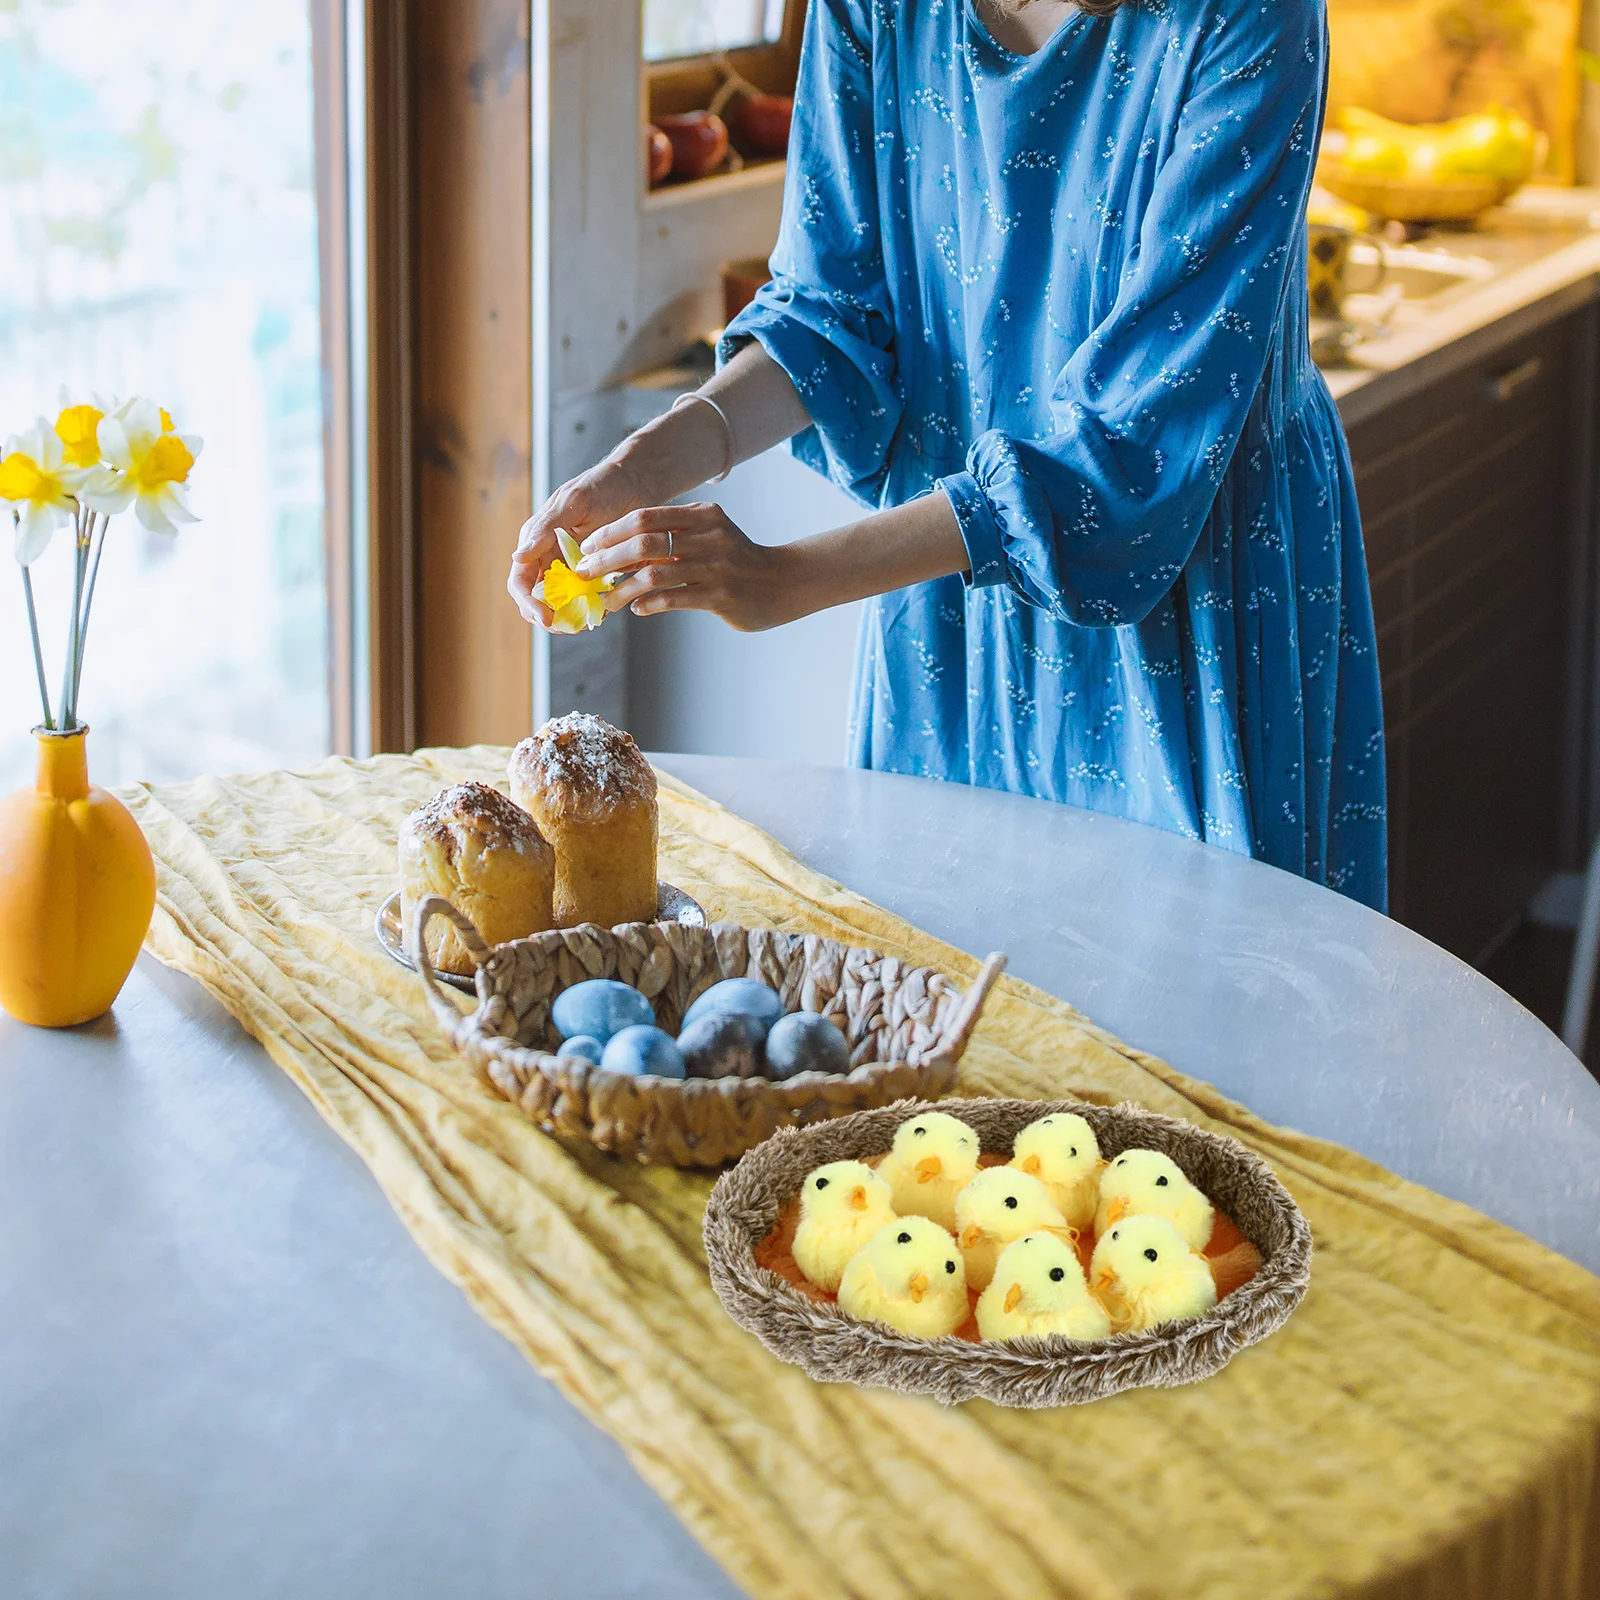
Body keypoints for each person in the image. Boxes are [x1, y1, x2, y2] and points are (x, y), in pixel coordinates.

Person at [509, 0, 1387, 911]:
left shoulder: (1250, 18)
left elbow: (1134, 445)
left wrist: (789, 581)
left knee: (1194, 1009)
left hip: (1191, 585)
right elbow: (831, 316)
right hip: (952, 600)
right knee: (945, 989)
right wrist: (642, 467)